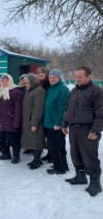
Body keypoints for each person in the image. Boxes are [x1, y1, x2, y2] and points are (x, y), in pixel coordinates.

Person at [62, 66, 103, 197]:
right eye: (76, 76)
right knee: (75, 154)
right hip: (74, 128)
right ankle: (80, 177)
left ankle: (95, 183)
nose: (77, 79)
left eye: (80, 77)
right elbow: (68, 109)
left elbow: (101, 114)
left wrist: (95, 130)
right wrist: (64, 123)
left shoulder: (96, 91)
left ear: (88, 76)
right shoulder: (74, 91)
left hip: (88, 130)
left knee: (89, 156)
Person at [43, 69, 70, 175]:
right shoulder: (51, 89)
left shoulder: (63, 89)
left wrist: (59, 123)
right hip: (49, 123)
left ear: (59, 78)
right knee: (60, 146)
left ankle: (59, 168)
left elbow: (63, 108)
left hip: (56, 124)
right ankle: (64, 165)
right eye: (50, 77)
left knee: (53, 147)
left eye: (54, 77)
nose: (52, 79)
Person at [0, 74, 24, 164]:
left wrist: (16, 122)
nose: (4, 82)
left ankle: (16, 156)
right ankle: (6, 154)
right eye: (2, 81)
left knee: (14, 139)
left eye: (6, 80)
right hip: (2, 120)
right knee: (3, 138)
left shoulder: (16, 92)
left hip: (11, 120)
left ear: (10, 81)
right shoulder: (0, 91)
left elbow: (18, 108)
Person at [21, 75, 46, 170]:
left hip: (34, 121)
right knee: (33, 140)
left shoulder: (39, 91)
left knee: (37, 141)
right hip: (28, 120)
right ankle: (36, 159)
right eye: (25, 83)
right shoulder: (29, 90)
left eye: (28, 83)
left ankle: (37, 160)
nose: (26, 85)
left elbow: (38, 108)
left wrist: (34, 123)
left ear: (33, 82)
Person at [36, 67, 51, 163]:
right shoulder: (38, 84)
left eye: (43, 73)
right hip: (40, 112)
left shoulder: (49, 84)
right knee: (44, 135)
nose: (41, 74)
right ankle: (49, 153)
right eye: (39, 73)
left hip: (48, 113)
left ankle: (52, 154)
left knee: (50, 135)